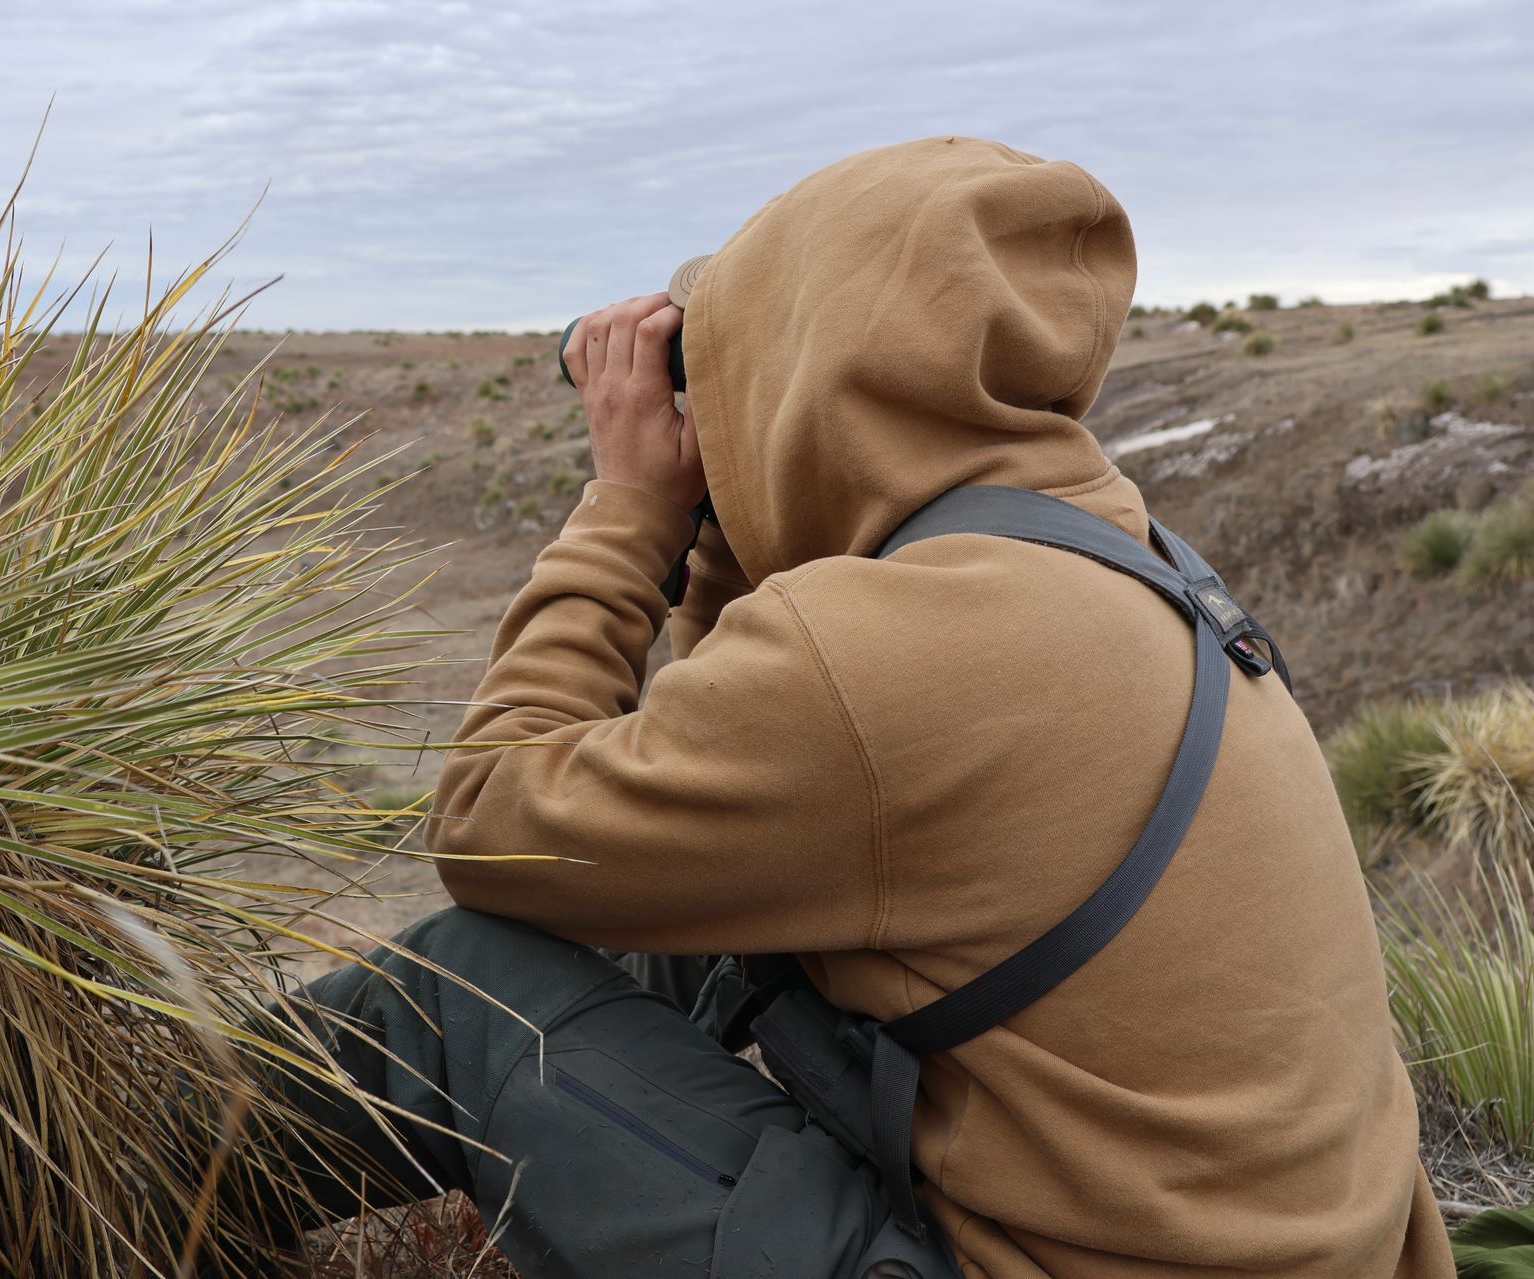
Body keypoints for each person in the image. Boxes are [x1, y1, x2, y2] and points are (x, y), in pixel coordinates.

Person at [258, 137, 1458, 1278]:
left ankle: (108, 1186)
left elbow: (489, 824)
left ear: (810, 364)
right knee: (676, 919)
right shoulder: (1126, 563)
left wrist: (630, 508)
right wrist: (740, 503)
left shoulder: (889, 653)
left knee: (460, 984)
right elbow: (729, 779)